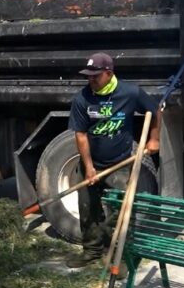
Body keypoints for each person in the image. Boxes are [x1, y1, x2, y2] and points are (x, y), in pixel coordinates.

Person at [66, 52, 160, 268]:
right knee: (88, 209)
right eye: (88, 76)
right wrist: (89, 168)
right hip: (93, 163)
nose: (91, 80)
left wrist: (154, 139)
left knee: (123, 211)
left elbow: (156, 111)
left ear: (109, 74)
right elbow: (80, 135)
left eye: (95, 76)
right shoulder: (82, 98)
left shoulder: (130, 93)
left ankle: (120, 257)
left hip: (120, 163)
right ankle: (91, 252)